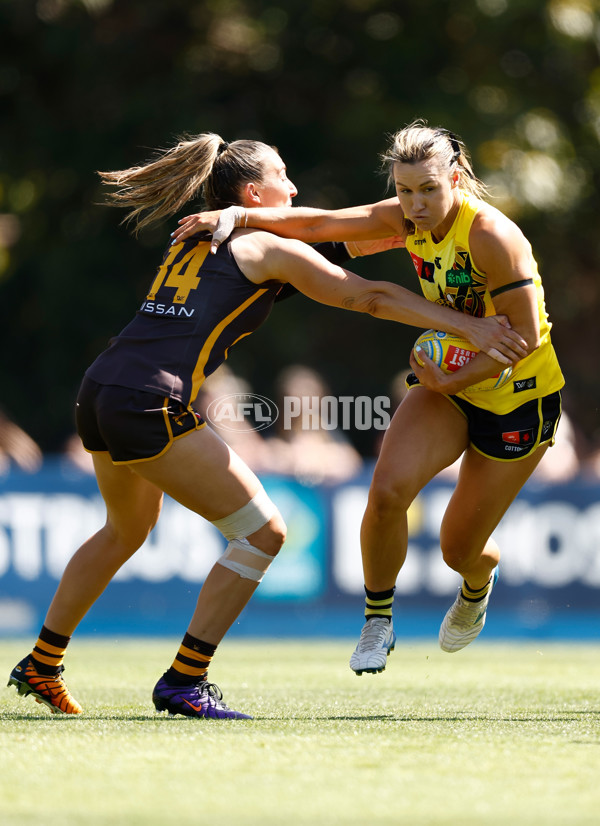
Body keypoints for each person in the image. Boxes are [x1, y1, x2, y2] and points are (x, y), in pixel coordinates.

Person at [7, 132, 527, 719]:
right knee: (263, 534)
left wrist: (422, 224)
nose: (296, 187)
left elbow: (338, 234)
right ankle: (185, 679)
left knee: (124, 530)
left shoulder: (210, 236)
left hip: (99, 390)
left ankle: (42, 662)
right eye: (284, 176)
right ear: (255, 192)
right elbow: (370, 297)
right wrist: (472, 329)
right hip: (149, 401)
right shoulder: (262, 246)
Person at [173, 120, 564, 674]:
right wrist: (238, 215)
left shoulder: (492, 236)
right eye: (405, 191)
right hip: (448, 387)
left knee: (459, 549)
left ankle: (477, 586)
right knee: (386, 494)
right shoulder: (405, 218)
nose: (416, 204)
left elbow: (522, 339)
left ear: (455, 179)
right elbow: (318, 223)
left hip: (518, 398)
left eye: (429, 189)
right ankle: (377, 622)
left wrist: (449, 378)